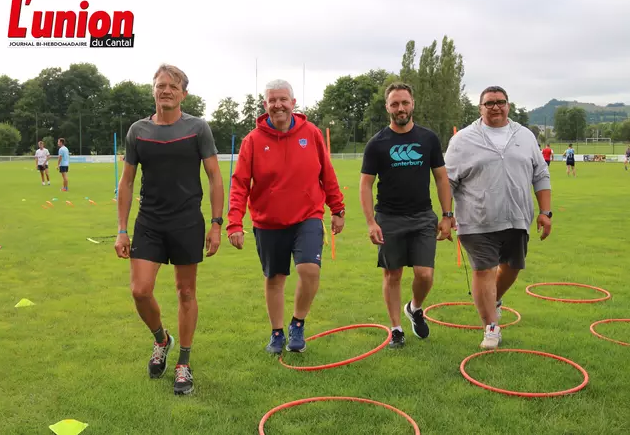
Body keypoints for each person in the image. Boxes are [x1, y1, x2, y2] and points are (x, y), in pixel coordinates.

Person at [114, 63, 224, 396]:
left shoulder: (198, 128)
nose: (166, 91)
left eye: (172, 87)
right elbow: (127, 181)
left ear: (183, 94)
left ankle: (183, 364)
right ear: (154, 90)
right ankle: (162, 339)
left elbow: (216, 177)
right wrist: (121, 229)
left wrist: (216, 223)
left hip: (187, 221)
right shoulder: (138, 131)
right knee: (140, 290)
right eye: (160, 85)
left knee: (185, 292)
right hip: (149, 222)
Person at [226, 79, 345, 355]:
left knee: (309, 269)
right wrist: (234, 223)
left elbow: (326, 173)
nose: (278, 105)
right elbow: (240, 184)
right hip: (268, 221)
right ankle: (277, 333)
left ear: (293, 103)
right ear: (265, 105)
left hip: (308, 216)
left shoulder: (311, 133)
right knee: (275, 278)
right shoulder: (253, 141)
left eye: (283, 99)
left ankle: (298, 324)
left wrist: (337, 209)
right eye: (272, 100)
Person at [445, 85, 552, 350]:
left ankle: (493, 301)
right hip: (475, 220)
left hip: (517, 217)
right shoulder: (463, 139)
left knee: (512, 267)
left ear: (508, 105)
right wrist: (447, 215)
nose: (495, 106)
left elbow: (540, 174)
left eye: (500, 102)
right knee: (483, 270)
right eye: (489, 103)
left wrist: (545, 212)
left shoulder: (525, 136)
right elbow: (447, 180)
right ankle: (491, 328)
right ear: (480, 108)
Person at [359, 82, 453, 349]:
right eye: (395, 104)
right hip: (389, 218)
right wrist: (370, 222)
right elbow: (365, 184)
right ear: (387, 107)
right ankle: (396, 328)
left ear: (413, 104)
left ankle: (414, 307)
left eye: (405, 103)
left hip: (423, 216)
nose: (400, 108)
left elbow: (441, 178)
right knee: (393, 275)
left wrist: (447, 215)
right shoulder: (377, 144)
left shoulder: (428, 139)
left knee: (425, 274)